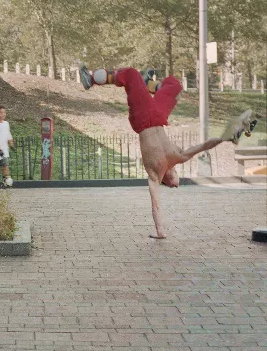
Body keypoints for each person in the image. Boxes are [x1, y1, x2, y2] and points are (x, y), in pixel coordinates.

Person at [80, 65, 256, 239]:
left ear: (166, 179)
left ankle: (91, 79)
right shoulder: (177, 157)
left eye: (173, 185)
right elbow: (204, 146)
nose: (176, 184)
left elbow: (155, 207)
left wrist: (160, 231)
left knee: (131, 74)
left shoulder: (154, 175)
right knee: (175, 87)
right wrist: (225, 138)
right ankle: (147, 83)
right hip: (157, 116)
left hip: (142, 118)